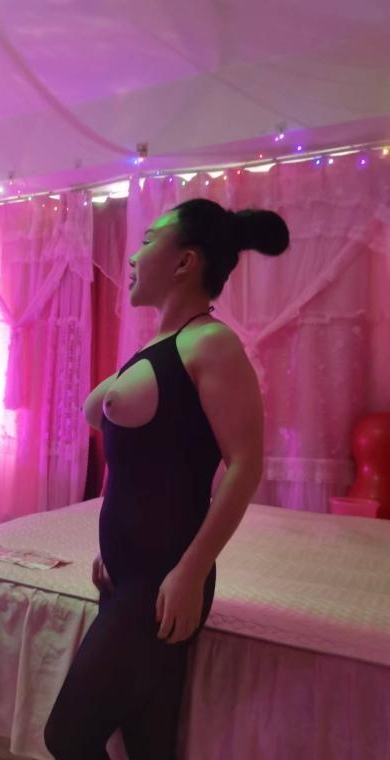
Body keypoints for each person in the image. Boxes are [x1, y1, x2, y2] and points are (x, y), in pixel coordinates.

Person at [44, 198, 289, 760]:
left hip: (161, 582)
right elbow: (134, 457)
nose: (133, 257)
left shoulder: (211, 344)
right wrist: (113, 546)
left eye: (148, 240)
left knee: (67, 737)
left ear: (184, 262)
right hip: (127, 575)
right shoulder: (159, 346)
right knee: (149, 743)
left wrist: (191, 570)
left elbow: (245, 465)